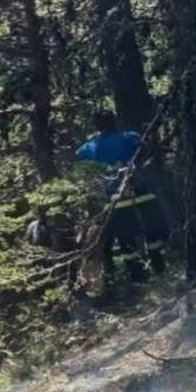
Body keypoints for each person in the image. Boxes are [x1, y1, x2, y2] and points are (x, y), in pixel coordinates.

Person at [75, 110, 168, 279]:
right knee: (153, 233)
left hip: (116, 201)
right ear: (115, 122)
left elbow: (78, 159)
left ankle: (138, 276)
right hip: (141, 194)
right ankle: (159, 266)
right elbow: (146, 150)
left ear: (96, 126)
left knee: (126, 242)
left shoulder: (89, 147)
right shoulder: (129, 137)